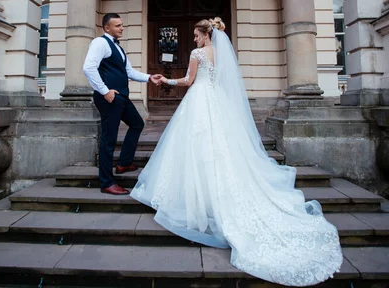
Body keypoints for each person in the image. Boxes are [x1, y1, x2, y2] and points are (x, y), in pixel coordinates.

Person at [131, 17, 343, 286]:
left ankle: (200, 201)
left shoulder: (198, 53)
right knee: (221, 149)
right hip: (217, 103)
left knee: (197, 148)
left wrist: (167, 81)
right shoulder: (221, 53)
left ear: (205, 35)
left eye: (196, 35)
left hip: (199, 101)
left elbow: (189, 80)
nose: (194, 40)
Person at [83, 13, 162, 195]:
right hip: (109, 98)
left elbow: (129, 71)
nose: (122, 28)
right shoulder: (100, 43)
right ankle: (106, 182)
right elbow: (88, 67)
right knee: (108, 139)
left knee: (137, 124)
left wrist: (149, 77)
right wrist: (104, 91)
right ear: (107, 28)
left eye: (122, 25)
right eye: (117, 25)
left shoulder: (118, 47)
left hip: (121, 97)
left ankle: (124, 163)